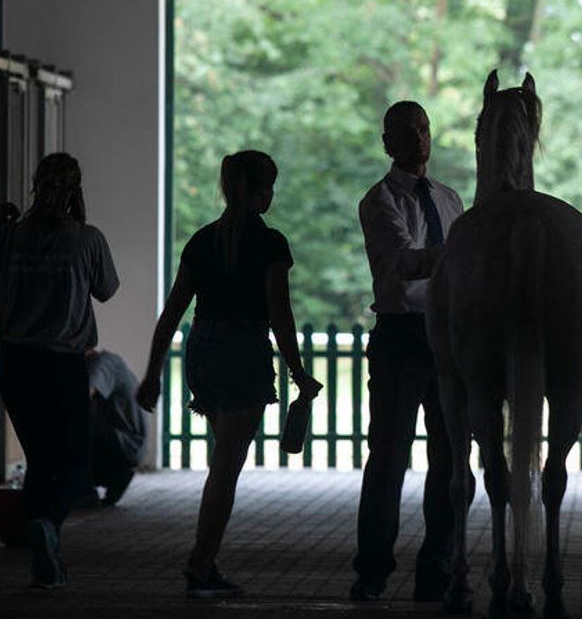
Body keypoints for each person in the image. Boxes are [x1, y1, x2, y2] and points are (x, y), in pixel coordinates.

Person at [136, 150, 323, 599]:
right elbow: (281, 315)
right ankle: (200, 564)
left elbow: (171, 314)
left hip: (202, 351)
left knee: (222, 463)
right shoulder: (271, 243)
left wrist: (153, 373)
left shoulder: (202, 241)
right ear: (262, 191)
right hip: (243, 352)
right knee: (224, 470)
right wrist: (298, 372)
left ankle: (206, 561)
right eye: (271, 185)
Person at [0, 153, 119, 589]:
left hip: (17, 363)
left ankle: (44, 559)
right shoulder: (87, 239)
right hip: (63, 364)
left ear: (35, 186)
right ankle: (48, 526)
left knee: (39, 458)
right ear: (76, 189)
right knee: (75, 461)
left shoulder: (9, 238)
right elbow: (108, 289)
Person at [351, 101, 466, 602]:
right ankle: (373, 569)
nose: (419, 137)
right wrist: (465, 251)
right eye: (406, 130)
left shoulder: (449, 198)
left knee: (450, 456)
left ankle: (435, 568)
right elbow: (402, 262)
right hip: (400, 334)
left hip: (445, 332)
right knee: (389, 456)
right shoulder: (379, 200)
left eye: (423, 127)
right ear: (387, 142)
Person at [81, 347, 147, 506]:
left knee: (77, 418)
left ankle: (85, 491)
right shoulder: (105, 361)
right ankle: (111, 477)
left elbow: (84, 395)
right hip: (123, 443)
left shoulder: (102, 363)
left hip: (126, 444)